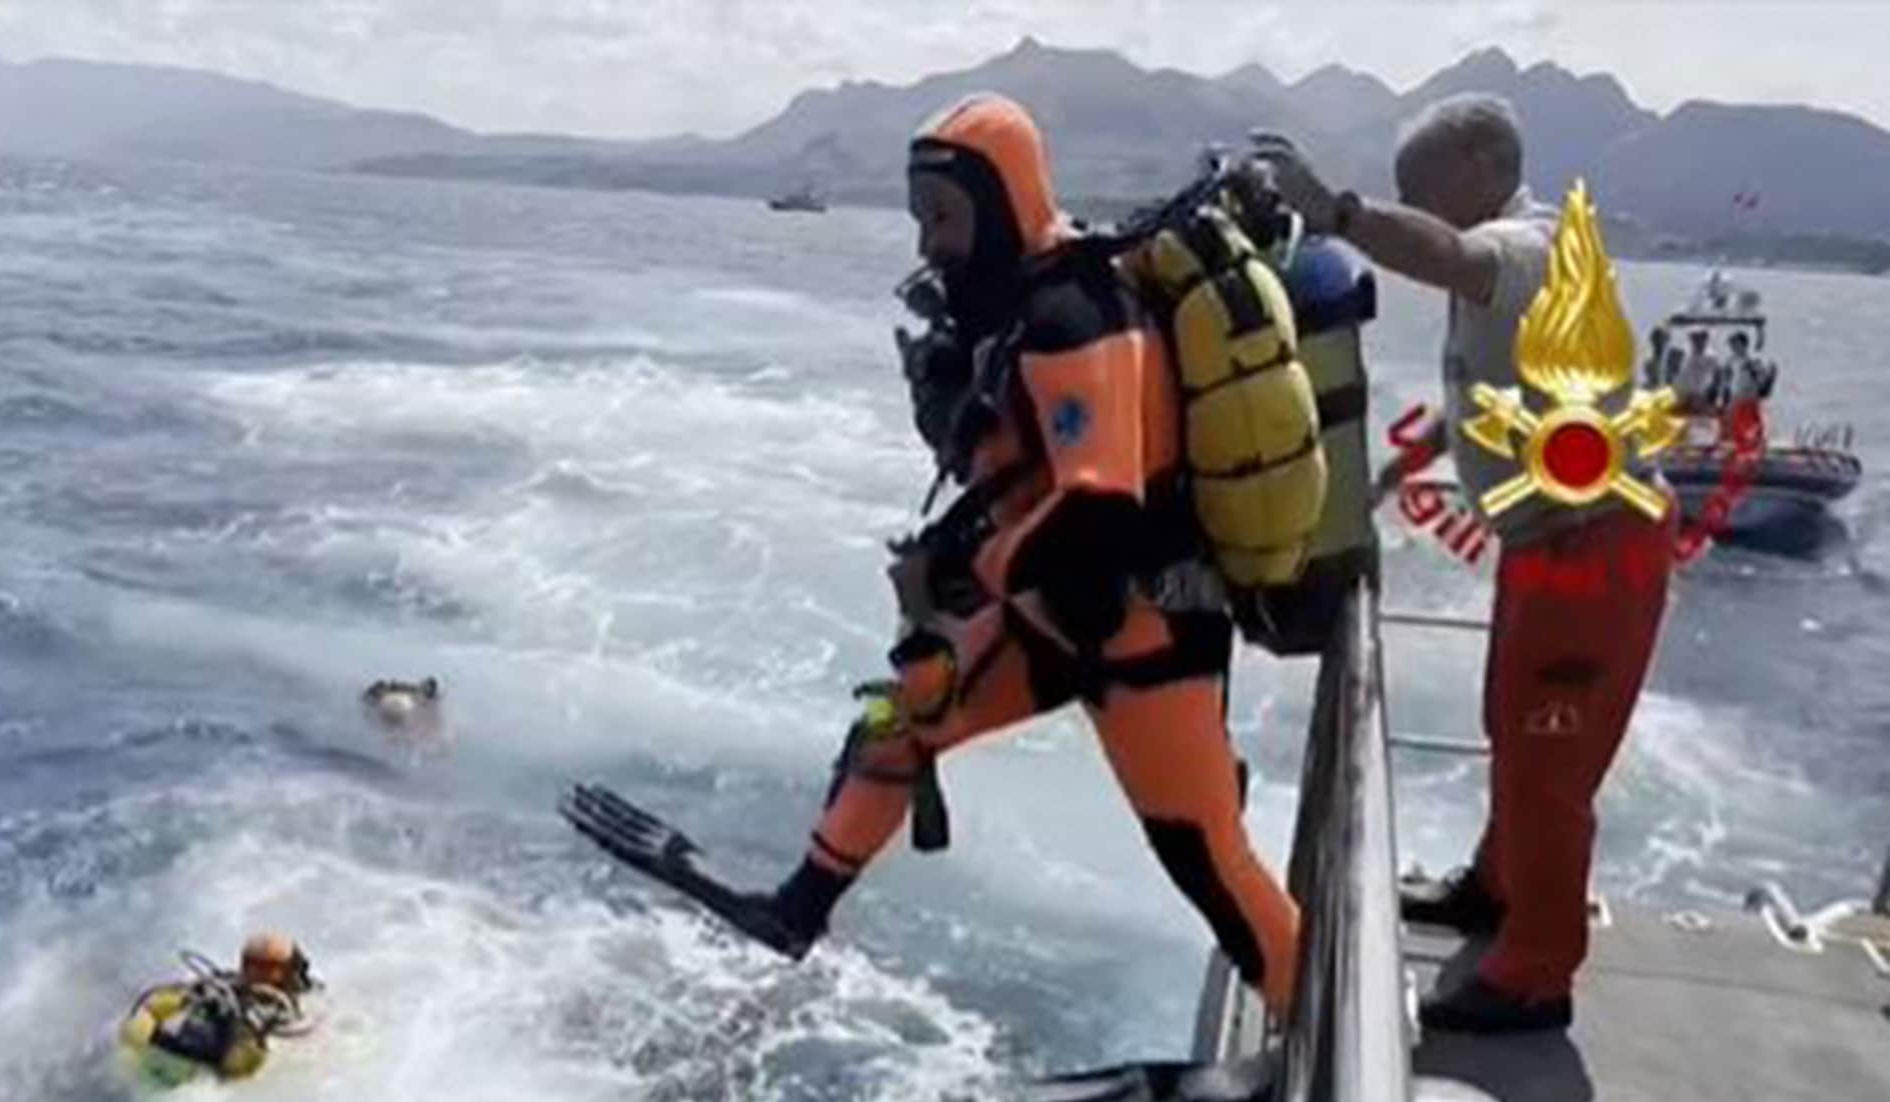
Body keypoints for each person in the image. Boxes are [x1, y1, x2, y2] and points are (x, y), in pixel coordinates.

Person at [567, 93, 1301, 1023]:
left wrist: (973, 569)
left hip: (1143, 626)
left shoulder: (1076, 315)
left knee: (1206, 857)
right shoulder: (1021, 305)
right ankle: (796, 911)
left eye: (946, 219)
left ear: (1005, 202)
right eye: (922, 219)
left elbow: (1099, 510)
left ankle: (1306, 1027)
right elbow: (1035, 494)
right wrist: (963, 551)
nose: (929, 244)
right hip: (1059, 615)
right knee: (894, 717)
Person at [1255, 94, 1674, 1033]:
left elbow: (1448, 256)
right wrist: (1398, 466)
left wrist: (1340, 214)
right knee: (1516, 729)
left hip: (1594, 549)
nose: (1416, 204)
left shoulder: (1525, 249)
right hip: (1551, 547)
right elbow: (1495, 391)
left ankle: (1535, 974)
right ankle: (1495, 889)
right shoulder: (1519, 271)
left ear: (1485, 165)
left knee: (1549, 758)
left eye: (1421, 188)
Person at [119, 931, 319, 1085]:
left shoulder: (215, 985)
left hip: (165, 1053)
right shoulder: (273, 1009)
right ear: (279, 973)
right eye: (291, 968)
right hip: (198, 1066)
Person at [1674, 326, 1722, 414]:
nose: (1697, 341)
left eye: (1700, 338)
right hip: (1686, 394)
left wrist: (1713, 393)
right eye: (1694, 338)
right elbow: (1681, 374)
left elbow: (1717, 375)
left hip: (1703, 394)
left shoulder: (1711, 356)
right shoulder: (1686, 356)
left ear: (1705, 340)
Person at [1726, 331, 1776, 407]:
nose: (1732, 346)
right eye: (1731, 344)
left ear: (1743, 344)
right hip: (1736, 400)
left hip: (1750, 401)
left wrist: (1769, 376)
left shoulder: (1753, 361)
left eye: (1735, 343)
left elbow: (1762, 381)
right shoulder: (1730, 361)